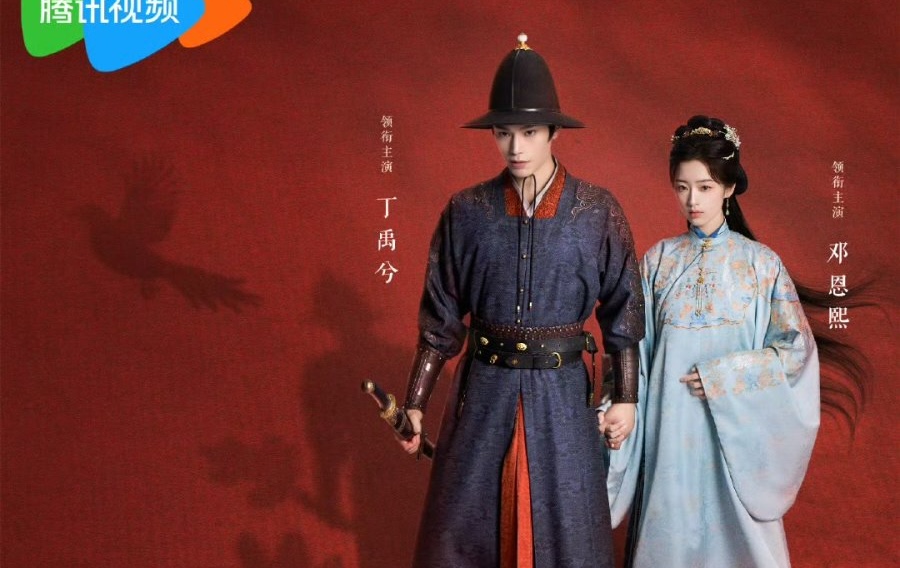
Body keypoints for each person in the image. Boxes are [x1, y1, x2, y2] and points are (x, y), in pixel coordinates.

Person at [394, 34, 645, 567]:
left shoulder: (597, 211)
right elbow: (440, 317)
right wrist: (415, 402)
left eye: (529, 132)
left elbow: (624, 306)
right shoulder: (466, 211)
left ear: (554, 131)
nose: (515, 147)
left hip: (563, 396)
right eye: (504, 133)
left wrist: (626, 395)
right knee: (467, 528)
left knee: (568, 532)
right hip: (484, 393)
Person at [605, 115, 821, 567]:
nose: (692, 200)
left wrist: (726, 377)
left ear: (729, 188)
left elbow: (795, 352)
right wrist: (619, 403)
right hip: (669, 434)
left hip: (736, 440)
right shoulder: (658, 262)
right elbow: (634, 351)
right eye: (682, 187)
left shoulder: (761, 265)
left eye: (704, 187)